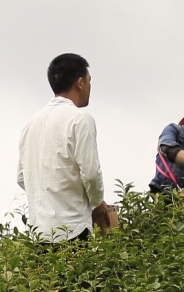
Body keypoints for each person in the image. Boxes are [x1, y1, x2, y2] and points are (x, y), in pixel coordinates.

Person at [17, 52, 116, 242]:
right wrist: (97, 204)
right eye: (89, 81)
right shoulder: (80, 119)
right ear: (80, 83)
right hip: (74, 229)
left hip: (40, 234)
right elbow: (91, 174)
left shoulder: (30, 125)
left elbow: (22, 177)